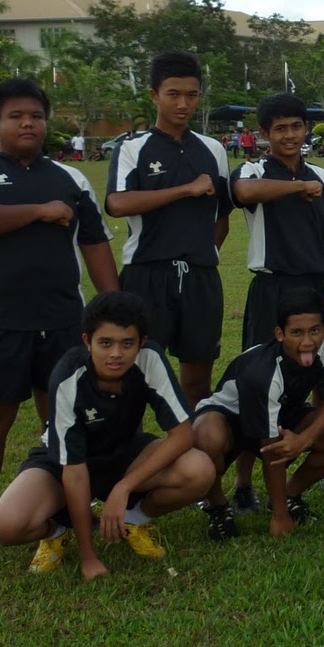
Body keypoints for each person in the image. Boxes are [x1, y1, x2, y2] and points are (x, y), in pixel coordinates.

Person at [0, 77, 120, 563]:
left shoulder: (71, 179)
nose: (27, 123)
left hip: (62, 321)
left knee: (60, 422)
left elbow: (94, 245)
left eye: (35, 115)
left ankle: (68, 515)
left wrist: (116, 309)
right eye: (16, 116)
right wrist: (39, 211)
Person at [0, 292, 214, 578]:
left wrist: (124, 488)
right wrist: (88, 557)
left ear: (141, 343)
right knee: (6, 525)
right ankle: (58, 531)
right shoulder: (69, 376)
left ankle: (133, 520)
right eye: (105, 343)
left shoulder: (150, 360)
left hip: (124, 453)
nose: (116, 354)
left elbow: (182, 436)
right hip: (65, 463)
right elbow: (75, 473)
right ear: (87, 342)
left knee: (199, 469)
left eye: (127, 343)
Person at [226, 92, 324, 510]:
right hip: (272, 288)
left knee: (319, 378)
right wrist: (297, 188)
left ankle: (294, 490)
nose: (290, 135)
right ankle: (244, 483)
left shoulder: (323, 178)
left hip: (317, 288)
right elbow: (242, 192)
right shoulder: (256, 169)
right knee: (256, 386)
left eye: (296, 126)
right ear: (263, 134)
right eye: (280, 129)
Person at [106, 51, 233, 411]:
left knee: (197, 379)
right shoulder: (133, 148)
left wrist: (203, 253)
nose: (183, 103)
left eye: (191, 95)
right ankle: (131, 457)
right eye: (173, 94)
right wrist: (183, 190)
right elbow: (117, 203)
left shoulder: (212, 150)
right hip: (146, 273)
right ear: (153, 95)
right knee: (134, 374)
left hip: (200, 277)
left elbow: (221, 216)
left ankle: (192, 460)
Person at [191, 287, 324, 540]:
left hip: (281, 411)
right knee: (207, 435)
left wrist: (305, 439)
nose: (307, 341)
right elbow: (271, 452)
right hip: (229, 418)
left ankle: (289, 495)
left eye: (315, 330)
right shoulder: (263, 373)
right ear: (280, 334)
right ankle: (218, 506)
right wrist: (280, 519)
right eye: (296, 333)